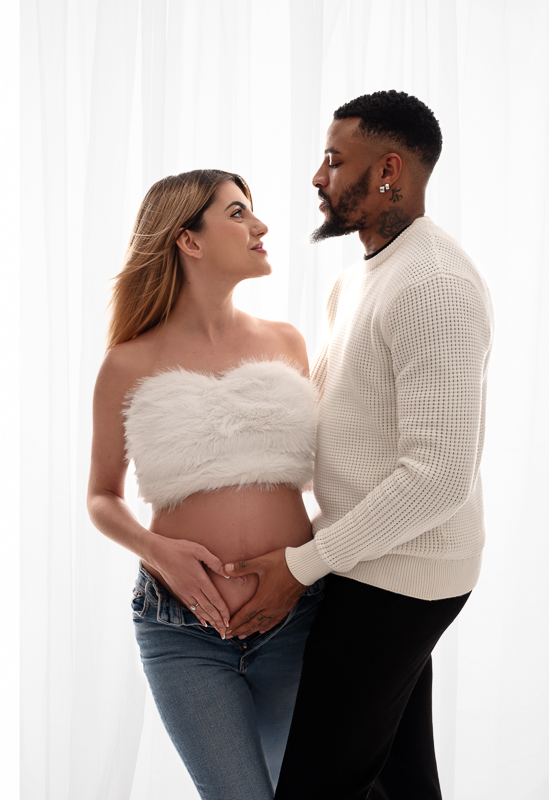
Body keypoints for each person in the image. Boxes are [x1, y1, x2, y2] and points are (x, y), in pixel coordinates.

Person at [223, 91, 494, 799]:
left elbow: (438, 476)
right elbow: (341, 430)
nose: (317, 177)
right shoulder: (357, 281)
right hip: (367, 557)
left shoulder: (434, 286)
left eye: (334, 160)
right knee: (399, 782)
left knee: (316, 785)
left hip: (401, 576)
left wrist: (301, 565)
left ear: (388, 171)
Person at [86, 169, 324, 800]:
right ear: (188, 240)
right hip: (182, 628)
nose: (261, 225)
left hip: (299, 614)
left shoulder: (287, 342)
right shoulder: (127, 362)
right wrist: (155, 549)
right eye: (238, 213)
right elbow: (101, 495)